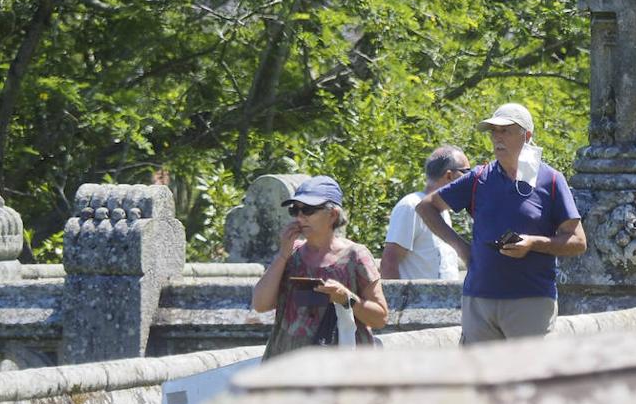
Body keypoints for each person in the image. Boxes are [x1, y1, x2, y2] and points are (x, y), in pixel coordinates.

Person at [415, 103, 586, 343]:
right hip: (479, 299)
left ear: (527, 136)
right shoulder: (478, 177)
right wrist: (462, 248)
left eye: (505, 130)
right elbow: (426, 207)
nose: (497, 137)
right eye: (493, 131)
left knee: (529, 378)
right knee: (481, 378)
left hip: (531, 301)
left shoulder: (552, 180)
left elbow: (578, 242)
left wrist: (533, 243)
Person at [251, 175, 388, 360]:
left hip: (340, 371)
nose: (300, 217)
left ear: (332, 215)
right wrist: (283, 255)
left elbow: (380, 318)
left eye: (308, 210)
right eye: (295, 210)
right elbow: (260, 304)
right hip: (287, 368)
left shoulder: (355, 256)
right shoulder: (290, 254)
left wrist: (346, 298)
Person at [379, 146, 469, 280]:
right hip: (417, 301)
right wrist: (396, 300)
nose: (470, 179)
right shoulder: (411, 206)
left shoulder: (443, 211)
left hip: (443, 300)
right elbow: (389, 263)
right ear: (449, 175)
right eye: (467, 172)